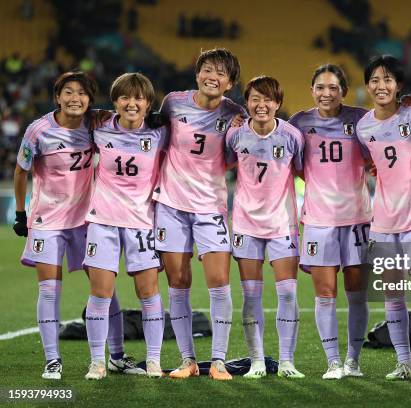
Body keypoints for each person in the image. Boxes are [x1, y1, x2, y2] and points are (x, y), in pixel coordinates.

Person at [13, 71, 141, 380]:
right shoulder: (38, 131)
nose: (75, 98)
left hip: (88, 220)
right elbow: (20, 171)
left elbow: (131, 113)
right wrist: (20, 213)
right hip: (47, 222)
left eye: (82, 93)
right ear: (57, 97)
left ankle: (117, 356)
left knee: (105, 290)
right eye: (68, 92)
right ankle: (52, 360)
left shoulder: (95, 122)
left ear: (89, 99)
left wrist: (159, 119)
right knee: (49, 291)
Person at [153, 48, 246, 380]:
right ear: (197, 73)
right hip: (171, 206)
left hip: (211, 207)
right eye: (208, 69)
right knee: (178, 282)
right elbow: (154, 140)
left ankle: (218, 360)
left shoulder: (235, 113)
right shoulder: (173, 103)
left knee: (219, 281)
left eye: (221, 73)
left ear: (230, 83)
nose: (213, 77)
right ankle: (187, 360)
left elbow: (240, 154)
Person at [355, 55, 411, 382]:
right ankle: (404, 362)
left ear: (399, 85)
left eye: (388, 79)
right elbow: (371, 162)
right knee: (392, 294)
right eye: (375, 80)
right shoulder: (363, 126)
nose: (381, 86)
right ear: (368, 86)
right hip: (384, 220)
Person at [83, 73, 167, 380]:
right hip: (102, 221)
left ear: (148, 103)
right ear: (115, 101)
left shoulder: (160, 133)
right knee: (100, 293)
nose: (131, 103)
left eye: (138, 98)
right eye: (124, 98)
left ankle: (154, 360)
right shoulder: (99, 127)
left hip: (142, 223)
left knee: (149, 292)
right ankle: (97, 361)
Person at [288, 64, 370, 379]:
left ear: (343, 91)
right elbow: (293, 164)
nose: (326, 93)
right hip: (319, 221)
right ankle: (333, 362)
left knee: (356, 293)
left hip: (358, 218)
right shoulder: (299, 122)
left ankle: (353, 360)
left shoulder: (360, 118)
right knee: (325, 294)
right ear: (312, 90)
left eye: (333, 87)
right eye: (320, 87)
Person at [226, 75, 305, 379]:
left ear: (278, 103)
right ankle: (257, 361)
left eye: (267, 99)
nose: (261, 105)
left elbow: (301, 169)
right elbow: (223, 164)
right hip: (246, 224)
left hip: (282, 224)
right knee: (251, 296)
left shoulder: (291, 136)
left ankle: (286, 361)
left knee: (287, 294)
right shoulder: (235, 136)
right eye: (255, 99)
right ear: (247, 103)